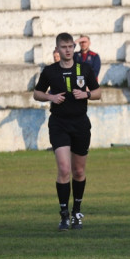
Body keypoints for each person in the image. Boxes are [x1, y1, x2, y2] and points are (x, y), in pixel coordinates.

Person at [33, 32, 101, 231]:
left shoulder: (84, 68)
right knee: (64, 169)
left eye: (70, 46)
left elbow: (98, 93)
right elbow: (37, 93)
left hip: (80, 124)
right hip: (59, 124)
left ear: (74, 47)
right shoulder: (50, 71)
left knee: (78, 171)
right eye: (64, 47)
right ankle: (63, 214)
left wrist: (86, 93)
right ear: (58, 50)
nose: (68, 50)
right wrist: (50, 98)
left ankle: (76, 212)